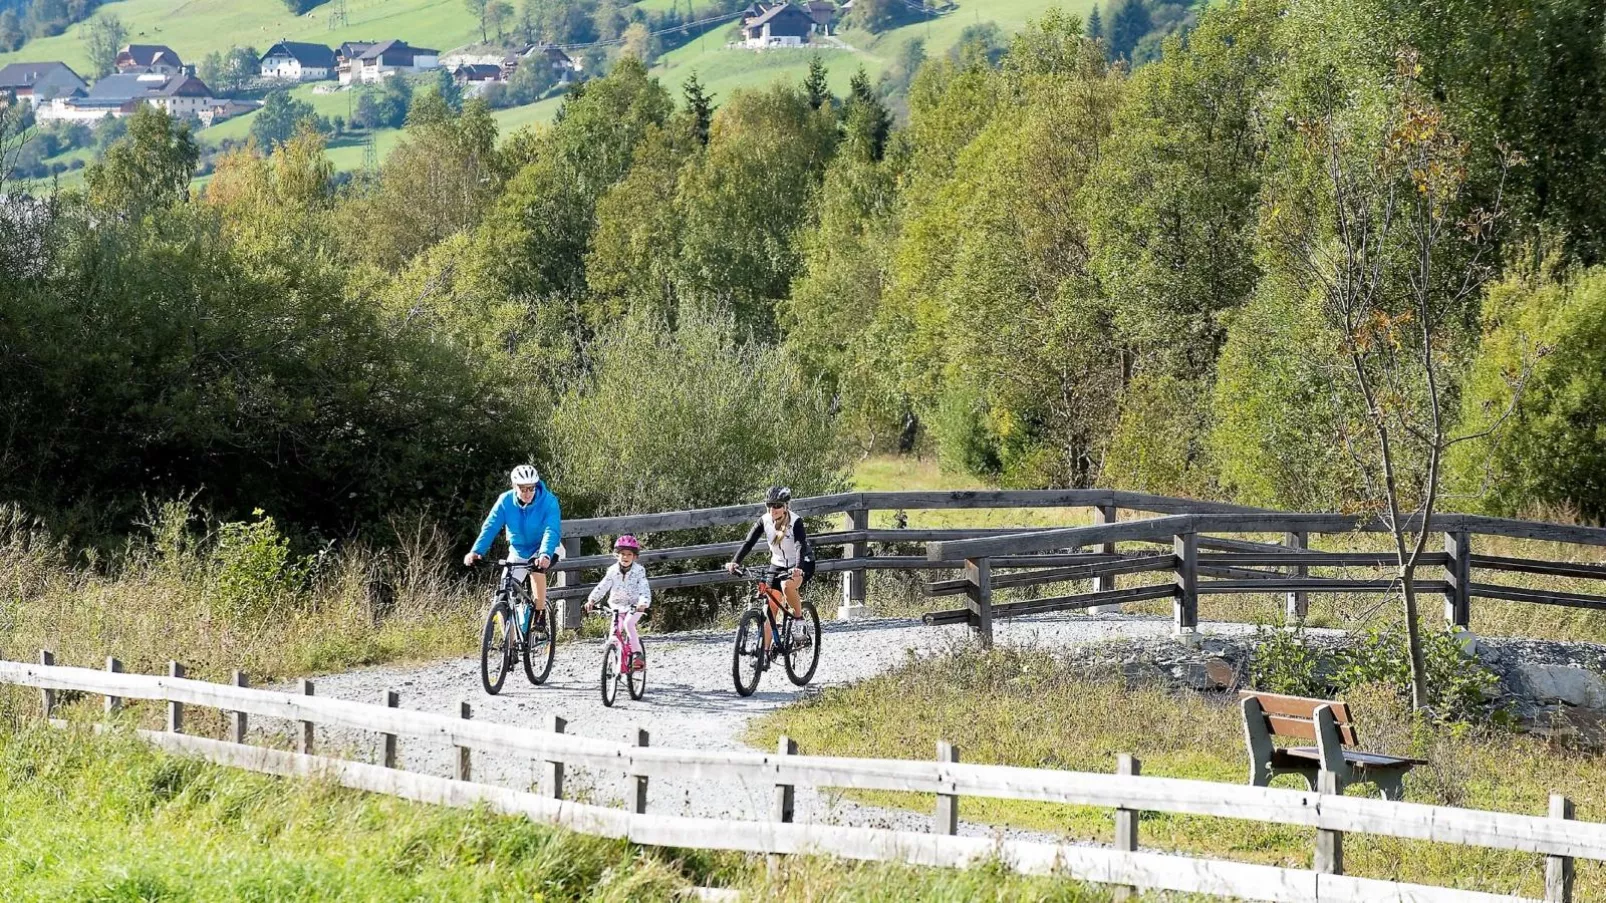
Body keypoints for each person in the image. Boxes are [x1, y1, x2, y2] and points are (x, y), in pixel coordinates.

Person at [464, 464, 562, 629]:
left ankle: (540, 613)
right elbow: (491, 526)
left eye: (531, 488)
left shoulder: (549, 501)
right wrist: (476, 551)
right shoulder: (505, 501)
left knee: (536, 569)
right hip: (518, 550)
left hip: (545, 548)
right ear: (514, 487)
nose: (528, 493)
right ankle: (509, 646)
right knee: (503, 595)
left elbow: (551, 530)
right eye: (523, 489)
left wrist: (545, 554)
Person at [725, 485, 815, 633]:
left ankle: (799, 619)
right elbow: (749, 543)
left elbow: (800, 545)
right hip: (778, 563)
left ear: (786, 506)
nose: (773, 509)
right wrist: (735, 561)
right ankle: (765, 653)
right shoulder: (764, 520)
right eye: (769, 505)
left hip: (802, 562)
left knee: (787, 586)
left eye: (777, 505)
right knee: (771, 609)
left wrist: (798, 568)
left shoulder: (796, 522)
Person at [584, 535, 652, 671]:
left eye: (629, 554)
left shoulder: (639, 572)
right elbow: (603, 586)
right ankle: (612, 661)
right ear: (617, 555)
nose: (625, 557)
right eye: (622, 554)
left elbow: (644, 589)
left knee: (628, 624)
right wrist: (592, 599)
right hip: (616, 606)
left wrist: (643, 603)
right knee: (614, 633)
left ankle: (638, 656)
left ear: (635, 557)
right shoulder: (612, 571)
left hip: (634, 606)